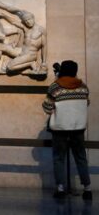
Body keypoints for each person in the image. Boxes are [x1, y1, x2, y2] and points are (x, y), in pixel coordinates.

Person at [42, 60, 91, 200]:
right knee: (81, 158)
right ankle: (87, 189)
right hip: (78, 127)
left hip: (60, 128)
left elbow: (47, 108)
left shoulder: (55, 87)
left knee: (59, 158)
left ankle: (61, 188)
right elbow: (86, 103)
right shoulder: (83, 87)